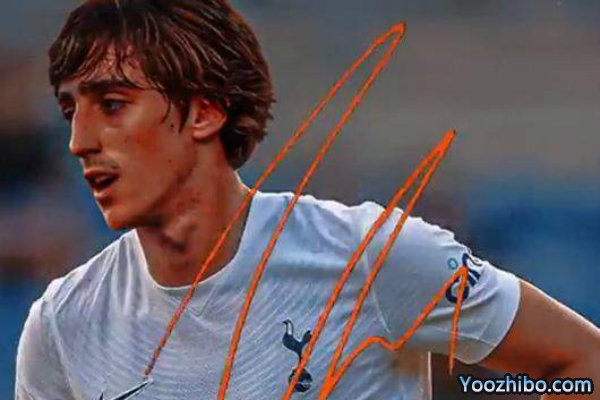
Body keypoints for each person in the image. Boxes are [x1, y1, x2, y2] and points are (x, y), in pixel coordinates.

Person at [16, 1, 600, 399]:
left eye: (112, 105)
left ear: (204, 112)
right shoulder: (62, 323)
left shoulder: (371, 255)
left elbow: (581, 363)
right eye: (70, 111)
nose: (78, 141)